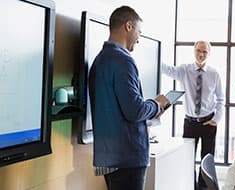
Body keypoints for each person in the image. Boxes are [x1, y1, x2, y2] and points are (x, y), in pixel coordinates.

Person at [88, 6, 170, 190]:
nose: (139, 39)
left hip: (109, 157)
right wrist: (157, 105)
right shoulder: (123, 60)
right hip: (127, 158)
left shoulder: (100, 59)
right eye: (139, 32)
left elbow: (116, 110)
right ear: (128, 26)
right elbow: (135, 111)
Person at [160, 40, 224, 189]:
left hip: (208, 122)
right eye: (198, 51)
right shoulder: (184, 70)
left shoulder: (214, 73)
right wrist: (154, 55)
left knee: (207, 159)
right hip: (190, 123)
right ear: (194, 51)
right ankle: (191, 185)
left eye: (205, 52)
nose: (201, 54)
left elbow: (221, 98)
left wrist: (217, 119)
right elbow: (167, 70)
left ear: (209, 53)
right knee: (188, 159)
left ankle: (204, 187)